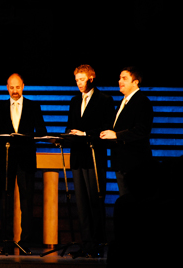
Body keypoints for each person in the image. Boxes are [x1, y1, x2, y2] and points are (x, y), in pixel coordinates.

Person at [0, 73, 47, 254]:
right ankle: (7, 242)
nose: (15, 91)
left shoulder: (33, 106)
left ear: (23, 86)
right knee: (5, 201)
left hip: (26, 159)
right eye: (11, 87)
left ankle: (25, 242)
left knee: (27, 202)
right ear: (7, 87)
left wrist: (26, 137)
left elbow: (42, 132)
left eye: (18, 87)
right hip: (6, 160)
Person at [65, 65, 114, 257]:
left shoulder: (104, 100)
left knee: (95, 201)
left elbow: (106, 128)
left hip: (94, 156)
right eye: (76, 79)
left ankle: (98, 242)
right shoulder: (74, 100)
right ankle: (86, 242)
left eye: (82, 79)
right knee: (82, 204)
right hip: (78, 157)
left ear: (91, 79)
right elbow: (70, 125)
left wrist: (85, 134)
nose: (78, 83)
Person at [100, 66, 153, 196]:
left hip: (135, 164)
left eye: (124, 78)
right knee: (126, 203)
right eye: (119, 78)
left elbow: (142, 130)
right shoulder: (123, 102)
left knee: (136, 202)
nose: (119, 81)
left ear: (135, 82)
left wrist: (116, 135)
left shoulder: (142, 101)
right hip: (121, 162)